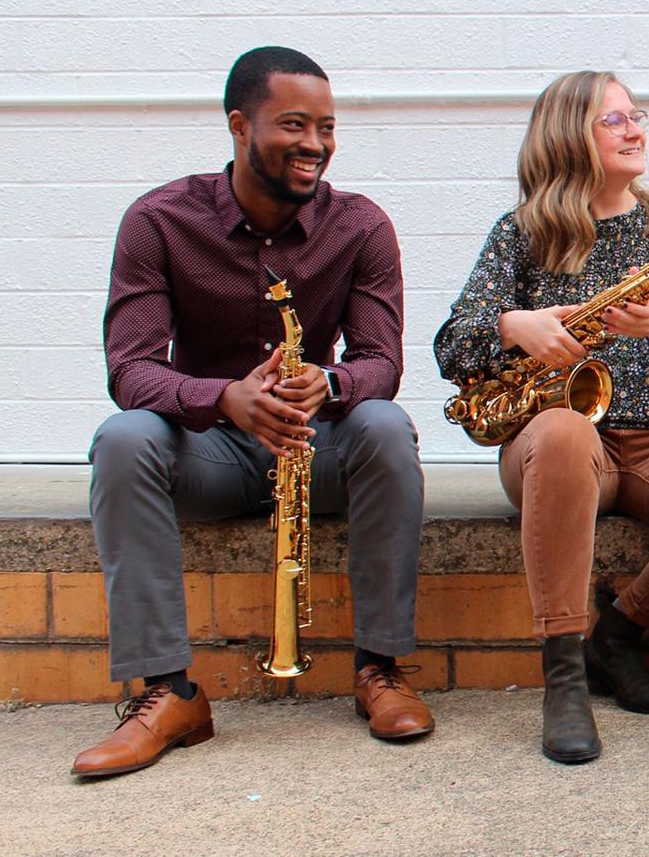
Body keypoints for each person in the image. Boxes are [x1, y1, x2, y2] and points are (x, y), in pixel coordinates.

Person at [77, 46, 431, 779]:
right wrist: (222, 398)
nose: (315, 145)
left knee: (385, 426)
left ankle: (381, 671)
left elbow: (382, 364)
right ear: (240, 126)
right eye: (294, 125)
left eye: (326, 127)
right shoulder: (158, 220)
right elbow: (131, 369)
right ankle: (168, 694)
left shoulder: (361, 226)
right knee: (122, 438)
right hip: (210, 453)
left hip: (317, 448)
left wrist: (329, 386)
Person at [435, 71, 649, 764]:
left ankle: (614, 639)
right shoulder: (523, 232)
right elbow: (452, 344)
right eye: (613, 120)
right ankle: (562, 677)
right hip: (553, 435)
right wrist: (514, 324)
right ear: (569, 135)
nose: (636, 129)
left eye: (636, 115)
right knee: (562, 429)